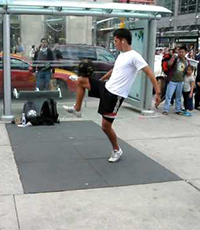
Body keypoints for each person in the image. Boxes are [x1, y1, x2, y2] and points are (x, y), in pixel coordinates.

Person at [63, 28, 160, 163]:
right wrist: (101, 80)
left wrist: (158, 92)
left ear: (123, 41)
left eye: (115, 41)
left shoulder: (134, 56)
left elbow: (149, 72)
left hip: (115, 95)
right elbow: (114, 70)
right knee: (81, 80)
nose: (114, 44)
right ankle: (77, 108)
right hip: (106, 87)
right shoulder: (121, 55)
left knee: (105, 126)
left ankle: (116, 150)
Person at [162, 46, 189, 115]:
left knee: (178, 96)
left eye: (182, 52)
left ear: (186, 53)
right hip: (172, 80)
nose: (181, 53)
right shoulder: (176, 59)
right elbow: (169, 65)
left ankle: (177, 109)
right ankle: (166, 110)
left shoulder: (186, 61)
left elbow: (187, 71)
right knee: (169, 96)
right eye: (180, 52)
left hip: (180, 81)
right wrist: (173, 57)